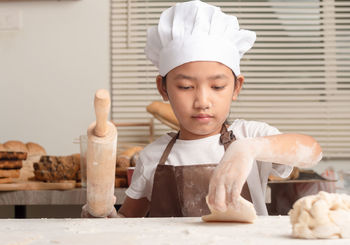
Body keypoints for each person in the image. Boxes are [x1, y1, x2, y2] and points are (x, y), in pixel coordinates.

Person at [82, 0, 322, 218]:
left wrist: (249, 149)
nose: (202, 101)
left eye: (217, 86)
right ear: (163, 88)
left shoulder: (249, 136)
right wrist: (105, 219)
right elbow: (126, 222)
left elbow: (312, 150)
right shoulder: (152, 157)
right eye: (186, 87)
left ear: (236, 88)